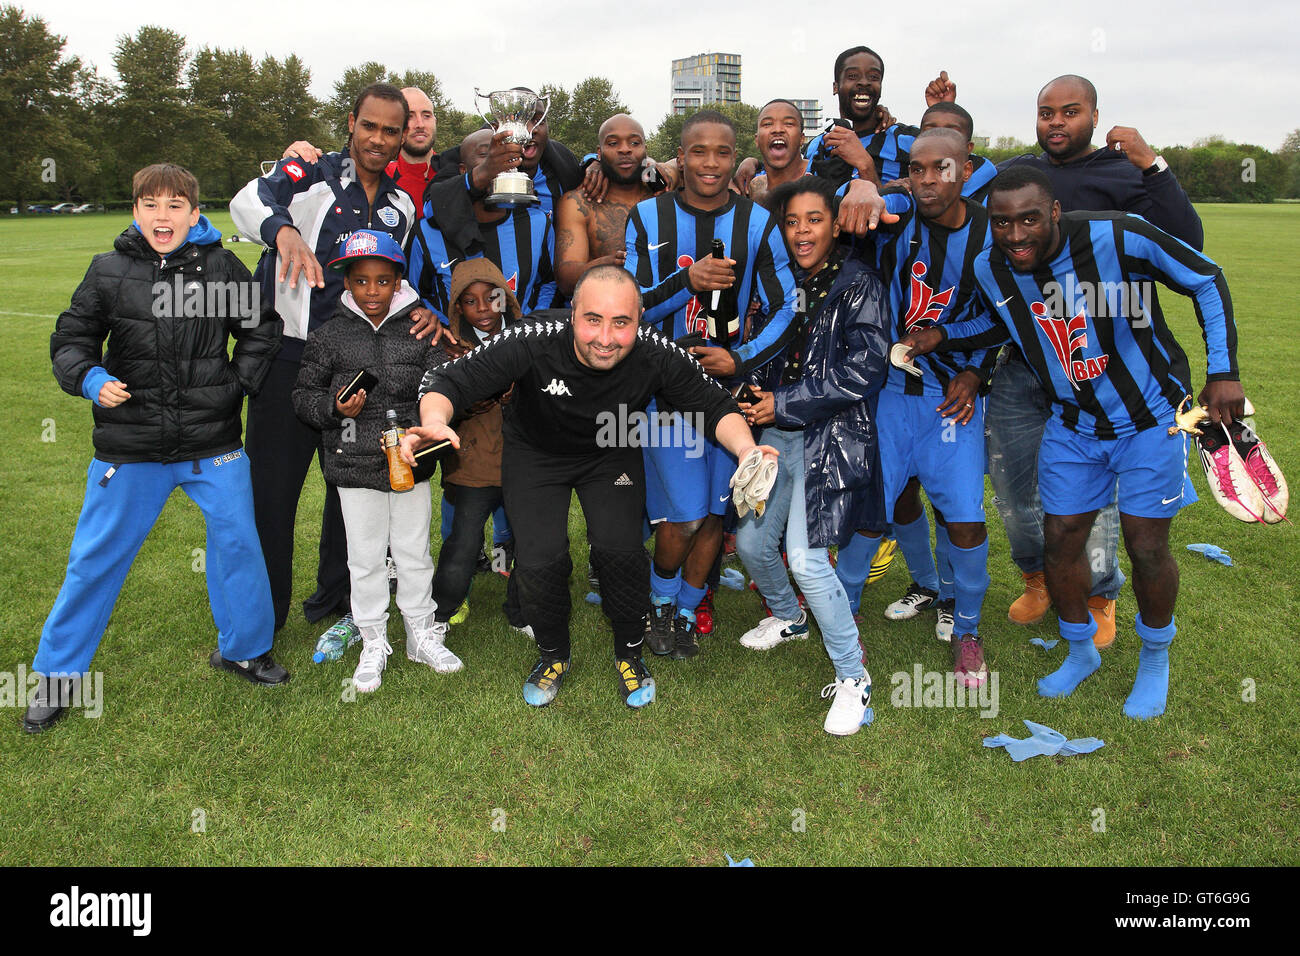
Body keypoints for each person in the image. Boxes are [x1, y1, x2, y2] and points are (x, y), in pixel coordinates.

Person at [900, 165, 1242, 719]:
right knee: (1059, 539)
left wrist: (1223, 371)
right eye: (1004, 223)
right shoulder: (994, 267)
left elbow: (1205, 277)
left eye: (1029, 219)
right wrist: (941, 336)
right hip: (1072, 425)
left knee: (1146, 545)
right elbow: (1001, 324)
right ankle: (1080, 649)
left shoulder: (1118, 233)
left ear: (1055, 211)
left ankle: (1155, 658)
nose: (1015, 236)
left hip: (1148, 420)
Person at [401, 266, 773, 709]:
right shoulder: (533, 337)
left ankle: (630, 652)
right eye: (592, 319)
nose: (606, 337)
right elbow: (451, 380)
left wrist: (748, 450)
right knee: (540, 560)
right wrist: (434, 422)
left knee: (620, 553)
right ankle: (553, 654)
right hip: (536, 455)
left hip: (609, 451)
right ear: (573, 313)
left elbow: (713, 403)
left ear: (639, 321)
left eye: (622, 323)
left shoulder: (654, 351)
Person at [25, 163, 285, 733]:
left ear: (195, 214)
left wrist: (236, 383)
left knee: (239, 543)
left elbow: (262, 327)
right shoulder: (108, 270)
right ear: (134, 210)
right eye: (150, 204)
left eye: (174, 205)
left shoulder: (219, 266)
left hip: (211, 443)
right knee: (94, 560)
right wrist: (89, 378)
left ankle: (243, 650)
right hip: (131, 445)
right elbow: (71, 338)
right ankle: (57, 677)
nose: (162, 216)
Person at [987, 74, 1204, 645]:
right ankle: (1042, 583)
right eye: (1045, 112)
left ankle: (1101, 595)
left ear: (1095, 114)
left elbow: (1189, 246)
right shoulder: (1015, 173)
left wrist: (1154, 167)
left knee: (1107, 507)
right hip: (1027, 360)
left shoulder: (1118, 170)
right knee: (1019, 492)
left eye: (1069, 111)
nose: (1056, 122)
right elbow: (946, 176)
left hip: (1111, 360)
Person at [231, 82, 425, 649]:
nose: (380, 140)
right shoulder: (308, 173)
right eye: (371, 126)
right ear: (352, 122)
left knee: (353, 492)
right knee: (272, 493)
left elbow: (395, 280)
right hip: (290, 356)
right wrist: (283, 230)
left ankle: (337, 605)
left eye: (392, 131)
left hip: (357, 364)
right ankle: (261, 621)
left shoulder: (401, 206)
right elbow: (247, 202)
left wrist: (425, 315)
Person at [624, 110, 799, 660]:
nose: (710, 163)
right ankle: (658, 601)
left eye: (722, 152)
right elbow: (623, 305)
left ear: (735, 155)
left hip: (730, 394)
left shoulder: (758, 221)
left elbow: (787, 307)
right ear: (680, 155)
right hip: (665, 395)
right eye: (698, 151)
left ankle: (683, 610)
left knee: (716, 514)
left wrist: (740, 355)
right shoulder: (647, 218)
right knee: (686, 513)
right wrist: (686, 281)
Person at [733, 175, 889, 735]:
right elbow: (760, 347)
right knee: (751, 543)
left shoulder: (858, 280)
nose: (802, 231)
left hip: (829, 436)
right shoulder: (776, 280)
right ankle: (788, 616)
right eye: (792, 221)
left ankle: (854, 677)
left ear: (835, 223)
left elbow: (867, 368)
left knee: (805, 560)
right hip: (777, 434)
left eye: (814, 219)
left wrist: (786, 401)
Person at [853, 128, 998, 685]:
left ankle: (966, 630)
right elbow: (875, 203)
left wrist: (965, 360)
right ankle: (849, 623)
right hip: (888, 395)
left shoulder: (989, 235)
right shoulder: (899, 214)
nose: (929, 180)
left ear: (966, 169)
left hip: (950, 400)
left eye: (942, 168)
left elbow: (1001, 317)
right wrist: (863, 188)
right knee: (870, 514)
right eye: (918, 169)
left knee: (964, 521)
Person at [292, 230, 457, 692]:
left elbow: (443, 382)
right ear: (345, 281)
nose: (371, 291)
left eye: (383, 281)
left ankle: (420, 633)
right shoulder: (329, 336)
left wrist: (428, 425)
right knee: (364, 559)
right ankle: (371, 638)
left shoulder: (420, 328)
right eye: (361, 281)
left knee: (413, 553)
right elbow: (303, 396)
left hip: (412, 461)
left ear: (399, 280)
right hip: (353, 465)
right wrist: (333, 409)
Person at [428, 259, 528, 634]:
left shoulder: (527, 337)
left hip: (524, 463)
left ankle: (523, 610)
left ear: (507, 298)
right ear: (458, 307)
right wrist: (479, 393)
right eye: (470, 302)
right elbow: (439, 402)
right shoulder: (449, 347)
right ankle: (441, 611)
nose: (483, 308)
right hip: (471, 465)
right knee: (463, 545)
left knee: (533, 544)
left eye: (492, 297)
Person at [407, 128, 559, 320]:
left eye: (506, 155)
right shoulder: (428, 230)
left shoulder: (536, 222)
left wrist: (528, 326)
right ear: (463, 170)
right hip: (454, 349)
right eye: (485, 154)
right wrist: (444, 327)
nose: (497, 161)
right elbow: (415, 293)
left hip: (520, 345)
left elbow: (549, 283)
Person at [554, 114, 662, 295]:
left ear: (645, 150)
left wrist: (667, 168)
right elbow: (565, 280)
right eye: (613, 143)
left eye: (635, 143)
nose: (625, 149)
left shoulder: (662, 194)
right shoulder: (578, 203)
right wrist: (604, 267)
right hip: (605, 311)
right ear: (599, 152)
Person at [745, 99, 813, 209]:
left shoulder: (821, 175)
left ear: (802, 138)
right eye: (767, 124)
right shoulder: (755, 187)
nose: (778, 130)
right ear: (756, 140)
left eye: (789, 124)